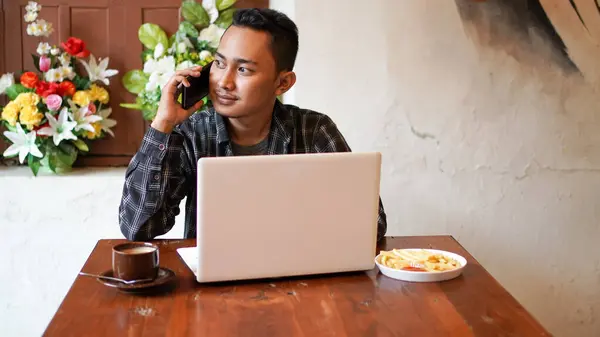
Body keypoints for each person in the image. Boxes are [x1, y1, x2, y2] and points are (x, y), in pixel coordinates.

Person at [118, 8, 387, 241]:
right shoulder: (193, 132)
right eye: (220, 64)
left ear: (283, 83)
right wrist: (163, 124)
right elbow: (137, 228)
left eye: (243, 69)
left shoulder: (313, 130)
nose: (224, 82)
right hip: (211, 285)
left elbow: (371, 225)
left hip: (295, 279)